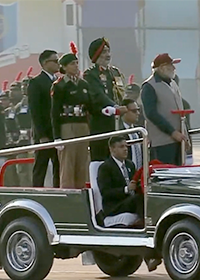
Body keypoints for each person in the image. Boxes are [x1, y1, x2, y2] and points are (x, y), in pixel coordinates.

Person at [51, 42, 118, 189]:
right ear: (64, 67)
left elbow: (91, 106)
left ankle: (80, 192)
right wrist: (57, 136)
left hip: (83, 125)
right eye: (72, 64)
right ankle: (68, 194)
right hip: (67, 125)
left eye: (76, 63)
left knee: (81, 162)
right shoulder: (60, 85)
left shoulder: (83, 84)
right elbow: (55, 112)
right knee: (68, 164)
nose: (76, 66)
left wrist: (104, 111)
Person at [97, 136, 161, 271]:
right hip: (114, 206)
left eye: (126, 146)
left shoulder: (130, 165)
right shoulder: (105, 167)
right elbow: (106, 193)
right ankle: (147, 227)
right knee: (138, 199)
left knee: (145, 197)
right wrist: (126, 189)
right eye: (121, 147)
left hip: (130, 202)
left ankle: (152, 228)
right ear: (112, 149)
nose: (126, 149)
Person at [83, 37, 128, 162]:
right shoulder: (90, 74)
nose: (107, 55)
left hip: (118, 121)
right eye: (103, 52)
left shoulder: (115, 72)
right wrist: (114, 107)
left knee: (120, 157)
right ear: (96, 54)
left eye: (108, 51)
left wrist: (125, 105)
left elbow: (121, 93)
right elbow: (98, 95)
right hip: (100, 121)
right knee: (101, 158)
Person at [141, 53, 190, 165]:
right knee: (164, 175)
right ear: (162, 68)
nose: (174, 68)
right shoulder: (149, 86)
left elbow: (180, 113)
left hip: (178, 141)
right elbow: (151, 114)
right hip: (162, 142)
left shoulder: (173, 84)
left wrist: (185, 136)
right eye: (171, 65)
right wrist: (172, 132)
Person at [29, 50, 60, 188]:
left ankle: (58, 191)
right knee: (41, 165)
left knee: (58, 165)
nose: (58, 64)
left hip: (57, 132)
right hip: (44, 132)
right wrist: (41, 134)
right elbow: (35, 111)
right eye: (55, 61)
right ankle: (36, 192)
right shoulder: (36, 82)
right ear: (45, 63)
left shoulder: (59, 81)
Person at [11, 69, 33, 187]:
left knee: (32, 168)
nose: (24, 87)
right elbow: (13, 123)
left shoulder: (36, 102)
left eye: (27, 84)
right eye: (23, 84)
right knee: (21, 170)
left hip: (34, 140)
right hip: (21, 141)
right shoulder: (18, 106)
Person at [0, 83, 20, 186]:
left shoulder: (15, 109)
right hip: (5, 146)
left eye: (5, 100)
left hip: (17, 143)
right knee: (8, 173)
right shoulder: (3, 112)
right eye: (1, 100)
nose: (2, 102)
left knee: (18, 172)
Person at [120, 98, 143, 170]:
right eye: (134, 111)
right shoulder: (119, 132)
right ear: (124, 112)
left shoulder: (140, 131)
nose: (138, 113)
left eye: (138, 110)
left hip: (140, 173)